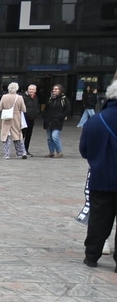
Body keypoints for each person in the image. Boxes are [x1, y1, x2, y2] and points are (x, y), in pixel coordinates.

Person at [80, 80, 117, 271]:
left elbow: (84, 150)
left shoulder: (95, 121)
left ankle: (92, 255)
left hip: (101, 177)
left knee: (98, 218)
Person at [0, 82, 28, 160]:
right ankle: (22, 152)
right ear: (17, 88)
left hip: (6, 118)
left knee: (6, 136)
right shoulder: (19, 97)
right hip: (16, 118)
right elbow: (24, 109)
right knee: (18, 135)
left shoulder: (4, 97)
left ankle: (7, 154)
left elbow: (0, 108)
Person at [43, 84, 71, 158]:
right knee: (49, 138)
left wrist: (61, 117)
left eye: (56, 89)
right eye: (54, 89)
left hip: (57, 121)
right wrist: (45, 117)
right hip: (49, 121)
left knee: (54, 136)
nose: (54, 90)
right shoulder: (50, 99)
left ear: (60, 90)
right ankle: (51, 152)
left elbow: (68, 109)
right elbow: (46, 109)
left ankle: (59, 152)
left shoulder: (64, 99)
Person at [21, 84, 39, 156]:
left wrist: (36, 113)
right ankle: (20, 150)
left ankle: (26, 149)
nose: (31, 90)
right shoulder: (23, 97)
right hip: (24, 118)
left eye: (32, 89)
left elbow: (36, 106)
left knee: (29, 135)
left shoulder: (35, 98)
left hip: (32, 118)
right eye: (30, 89)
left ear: (35, 90)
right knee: (22, 135)